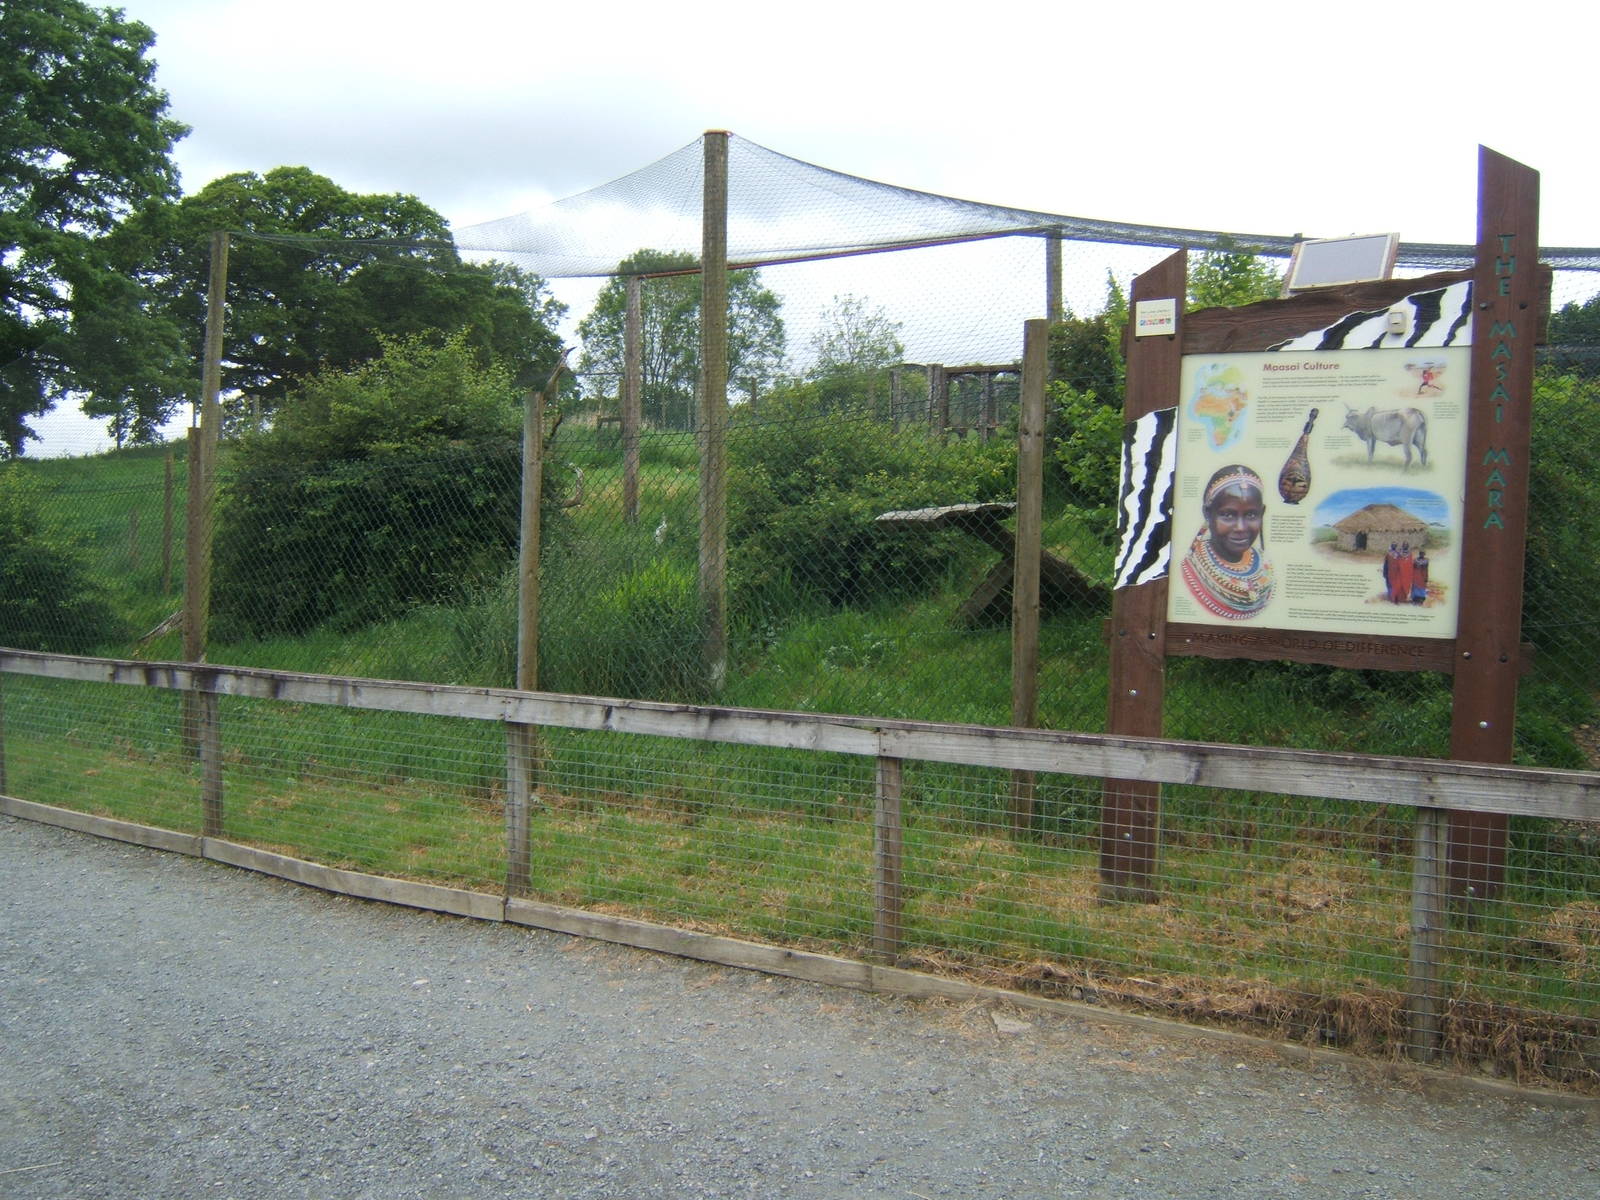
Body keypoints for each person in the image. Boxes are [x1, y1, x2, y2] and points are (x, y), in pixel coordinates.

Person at [1180, 464, 1274, 620]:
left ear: (1262, 513)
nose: (1240, 528)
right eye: (1228, 515)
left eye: (1251, 515)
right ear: (1208, 514)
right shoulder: (1188, 572)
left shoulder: (1267, 568)